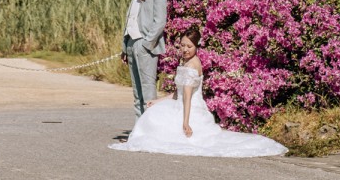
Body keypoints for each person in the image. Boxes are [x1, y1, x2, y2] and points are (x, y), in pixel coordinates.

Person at [109, 26, 286, 157]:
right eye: (182, 46)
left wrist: (185, 122)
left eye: (189, 46)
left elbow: (186, 97)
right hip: (182, 104)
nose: (185, 50)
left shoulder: (192, 66)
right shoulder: (186, 63)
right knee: (153, 111)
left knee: (155, 120)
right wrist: (158, 101)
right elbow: (178, 93)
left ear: (196, 47)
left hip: (188, 109)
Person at [121, 0, 167, 119]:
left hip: (145, 44)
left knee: (148, 90)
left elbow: (160, 21)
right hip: (132, 43)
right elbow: (131, 18)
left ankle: (150, 131)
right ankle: (139, 129)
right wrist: (125, 46)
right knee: (136, 91)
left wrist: (147, 43)